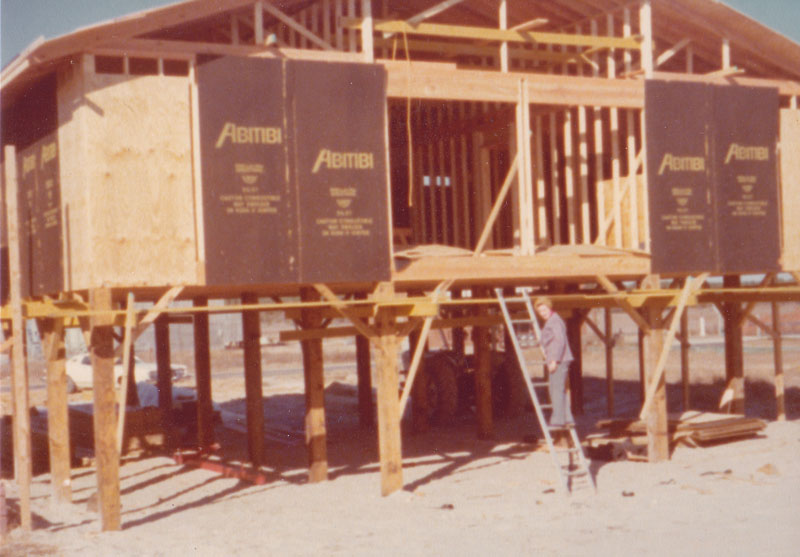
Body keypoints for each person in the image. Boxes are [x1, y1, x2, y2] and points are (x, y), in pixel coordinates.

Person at [534, 296, 574, 429]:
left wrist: (554, 360)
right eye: (540, 312)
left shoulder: (554, 322)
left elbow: (559, 341)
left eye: (544, 310)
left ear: (549, 308)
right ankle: (567, 418)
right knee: (559, 389)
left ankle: (558, 419)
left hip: (559, 359)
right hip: (560, 358)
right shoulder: (552, 321)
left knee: (555, 389)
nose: (543, 313)